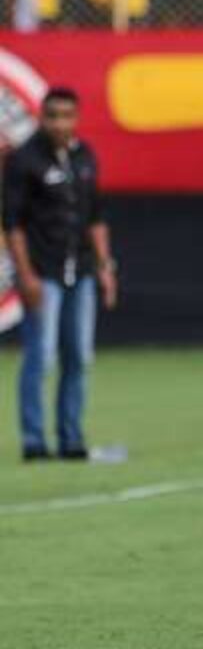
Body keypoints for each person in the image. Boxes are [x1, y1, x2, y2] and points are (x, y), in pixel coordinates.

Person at [2, 87, 118, 462]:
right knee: (42, 356)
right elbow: (13, 224)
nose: (59, 123)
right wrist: (27, 276)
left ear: (77, 118)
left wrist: (104, 267)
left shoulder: (85, 157)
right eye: (52, 116)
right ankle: (35, 441)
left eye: (66, 116)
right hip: (44, 270)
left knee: (79, 356)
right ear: (41, 117)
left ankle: (71, 438)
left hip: (80, 269)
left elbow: (95, 216)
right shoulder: (25, 161)